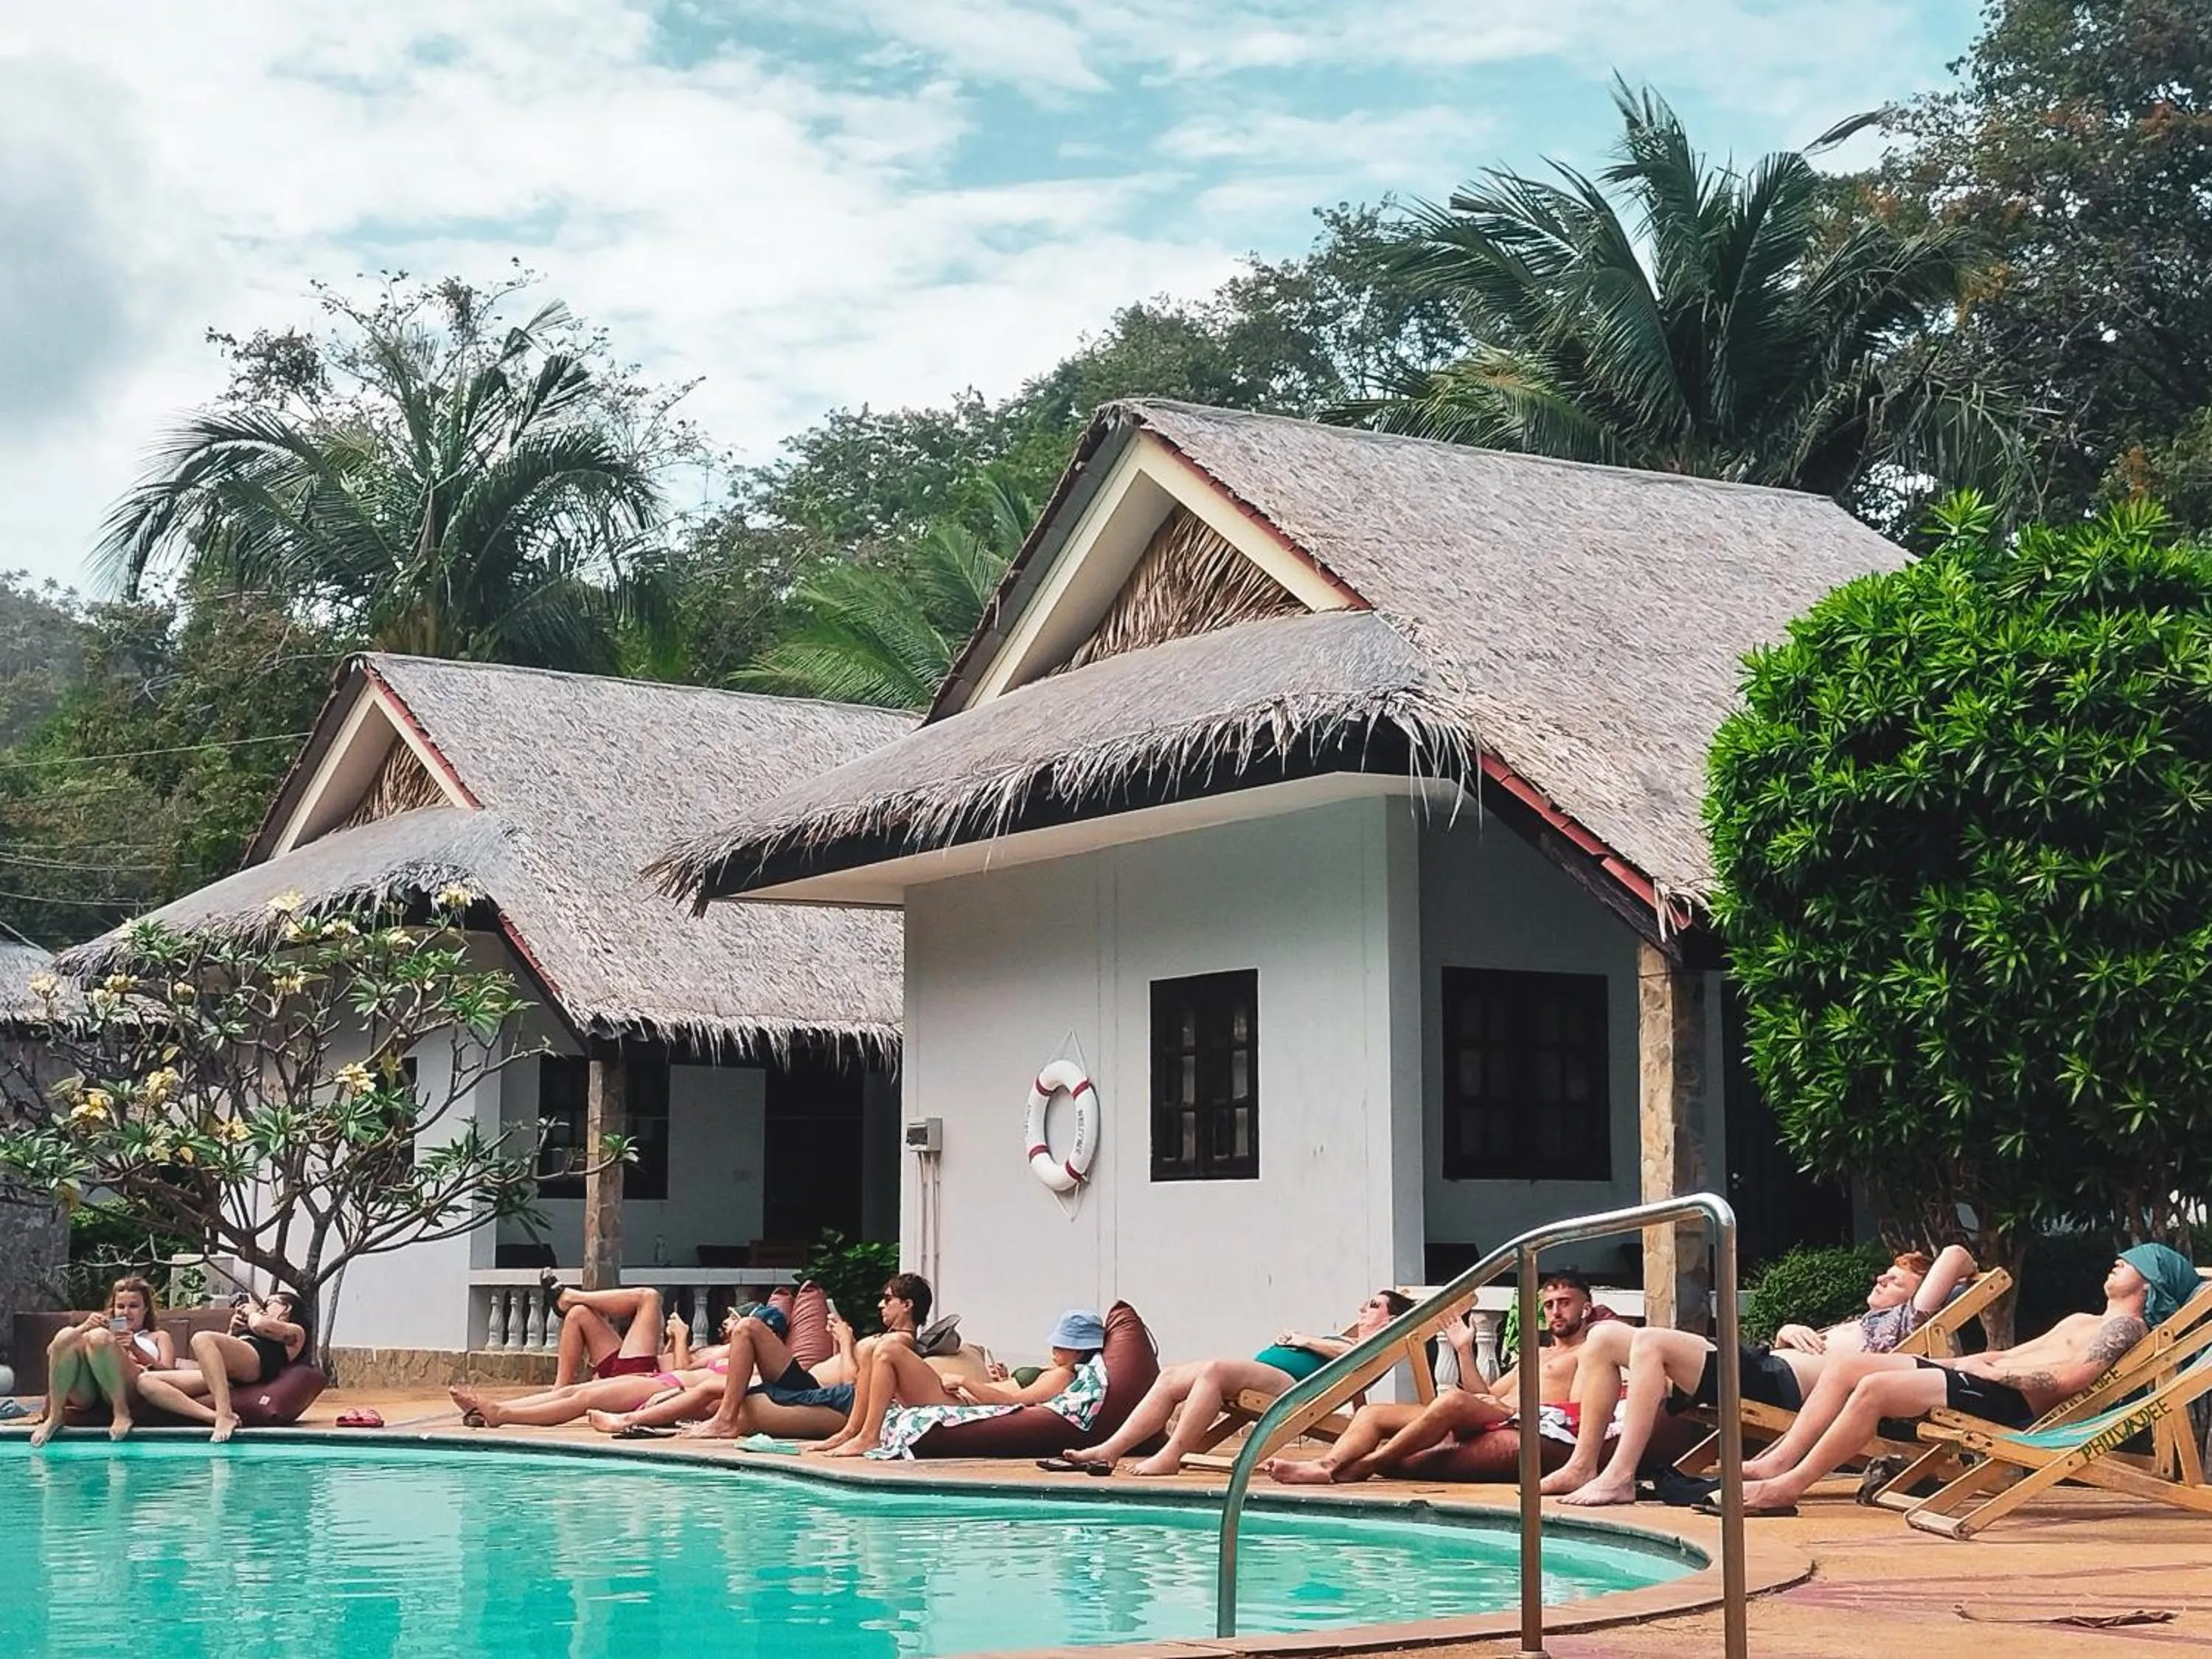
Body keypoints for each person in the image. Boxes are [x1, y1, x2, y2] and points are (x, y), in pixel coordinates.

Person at [1731, 1245, 2197, 1515]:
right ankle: (1778, 1462)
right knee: (1844, 1368)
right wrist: (1966, 1364)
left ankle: (1789, 1487)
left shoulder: (2125, 1328)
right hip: (1984, 1380)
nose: (2117, 1260)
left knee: (1874, 1390)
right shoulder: (2082, 1318)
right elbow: (2007, 1353)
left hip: (2006, 1401)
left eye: (2131, 1261)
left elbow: (2067, 1382)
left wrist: (1992, 1373)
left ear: (2151, 1284)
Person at [1543, 1243, 1978, 1506]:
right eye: (1886, 1273)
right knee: (1601, 1339)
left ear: (1919, 1295)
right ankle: (1583, 1465)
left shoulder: (1910, 1319)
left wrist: (1964, 1273)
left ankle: (1619, 1477)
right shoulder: (1858, 1322)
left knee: (1650, 1343)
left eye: (1896, 1280)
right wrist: (1788, 1331)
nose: (1882, 1278)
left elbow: (1956, 1255)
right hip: (1765, 1365)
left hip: (1777, 1385)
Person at [1265, 1270, 1610, 1485]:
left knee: (1452, 1400)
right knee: (1373, 1413)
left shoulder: (1590, 1351)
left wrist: (1501, 1406)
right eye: (1549, 1305)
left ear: (1586, 1307)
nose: (1555, 1312)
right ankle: (1328, 1465)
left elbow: (1578, 1410)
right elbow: (1486, 1393)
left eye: (1565, 1303)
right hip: (1497, 1413)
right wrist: (1463, 1350)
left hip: (1531, 1421)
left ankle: (1364, 1465)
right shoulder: (1535, 1355)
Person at [1054, 1290, 1413, 1478]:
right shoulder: (1346, 1337)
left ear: (1391, 1318)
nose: (1363, 1308)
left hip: (1293, 1388)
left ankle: (1171, 1455)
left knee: (1215, 1372)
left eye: (1373, 1305)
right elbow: (1353, 1382)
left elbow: (1353, 1360)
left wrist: (1304, 1340)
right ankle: (1110, 1450)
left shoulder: (1374, 1345)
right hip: (1271, 1375)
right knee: (1171, 1377)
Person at [830, 1307, 1110, 1460]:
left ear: (1078, 1350)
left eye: (1063, 1344)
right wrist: (1005, 1377)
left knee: (888, 1351)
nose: (1055, 1347)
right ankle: (852, 1430)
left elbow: (1013, 1402)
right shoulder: (1054, 1369)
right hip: (962, 1394)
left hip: (961, 1402)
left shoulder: (1064, 1375)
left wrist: (966, 1381)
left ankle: (868, 1436)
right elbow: (1017, 1391)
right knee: (871, 1351)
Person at [587, 1303, 861, 1439]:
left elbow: (857, 1389)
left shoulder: (889, 1347)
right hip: (810, 1389)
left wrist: (848, 1344)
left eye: (888, 1299)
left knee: (711, 1392)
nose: (881, 1306)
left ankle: (629, 1421)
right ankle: (637, 1420)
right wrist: (841, 1344)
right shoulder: (875, 1346)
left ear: (906, 1305)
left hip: (831, 1400)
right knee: (747, 1328)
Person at [449, 1308, 729, 1428]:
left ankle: (502, 1415)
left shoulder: (748, 1363)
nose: (727, 1324)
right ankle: (498, 1407)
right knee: (572, 1390)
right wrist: (674, 1343)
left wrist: (682, 1337)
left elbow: (689, 1375)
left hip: (668, 1388)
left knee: (583, 1400)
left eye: (735, 1319)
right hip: (661, 1379)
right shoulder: (722, 1351)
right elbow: (684, 1365)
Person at [134, 1289, 309, 1444]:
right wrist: (233, 1331)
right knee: (145, 1381)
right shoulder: (253, 1325)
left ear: (286, 1308)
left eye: (269, 1303)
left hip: (256, 1364)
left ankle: (224, 1412)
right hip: (228, 1373)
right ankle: (212, 1416)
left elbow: (259, 1325)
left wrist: (252, 1312)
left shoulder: (295, 1331)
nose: (264, 1306)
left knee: (201, 1338)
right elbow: (218, 1353)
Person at [29, 1276, 176, 1447]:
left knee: (100, 1337)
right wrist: (83, 1328)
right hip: (91, 1390)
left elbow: (169, 1372)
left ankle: (121, 1411)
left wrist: (136, 1349)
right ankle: (55, 1416)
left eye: (134, 1306)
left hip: (131, 1387)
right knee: (67, 1334)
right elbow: (53, 1352)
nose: (126, 1312)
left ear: (146, 1309)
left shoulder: (159, 1337)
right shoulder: (98, 1332)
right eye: (120, 1306)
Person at [540, 1281, 676, 1387]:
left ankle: (570, 1297)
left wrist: (682, 1338)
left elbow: (684, 1372)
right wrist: (674, 1342)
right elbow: (672, 1363)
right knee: (578, 1313)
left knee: (649, 1297)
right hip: (634, 1368)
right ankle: (561, 1388)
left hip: (639, 1376)